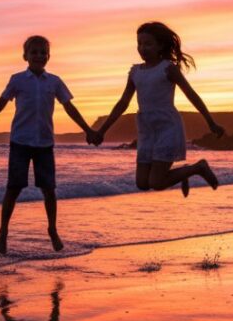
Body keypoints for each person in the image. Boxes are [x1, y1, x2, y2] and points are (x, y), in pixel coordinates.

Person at [0, 35, 99, 254]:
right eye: (34, 52)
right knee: (14, 188)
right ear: (25, 56)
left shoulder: (54, 81)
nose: (39, 56)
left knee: (49, 189)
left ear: (48, 56)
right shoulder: (17, 80)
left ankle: (52, 229)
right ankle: (3, 233)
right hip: (20, 141)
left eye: (43, 52)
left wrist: (88, 130)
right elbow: (0, 103)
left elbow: (69, 107)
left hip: (44, 143)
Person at [95, 21, 224, 195]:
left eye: (148, 44)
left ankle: (197, 168)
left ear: (160, 45)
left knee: (156, 182)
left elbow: (191, 95)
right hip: (147, 130)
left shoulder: (168, 69)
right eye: (139, 44)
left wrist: (211, 122)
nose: (142, 48)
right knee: (142, 183)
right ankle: (183, 172)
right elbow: (123, 103)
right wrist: (102, 130)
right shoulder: (135, 72)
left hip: (167, 127)